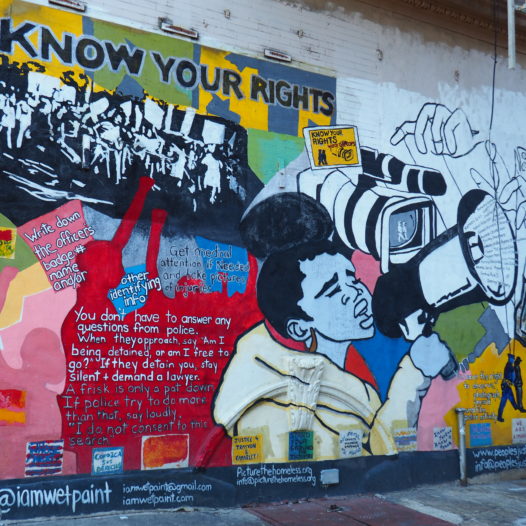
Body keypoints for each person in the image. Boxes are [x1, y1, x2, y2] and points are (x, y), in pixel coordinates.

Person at [213, 240, 454, 461]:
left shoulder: (346, 372)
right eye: (333, 290)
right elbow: (375, 464)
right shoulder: (275, 401)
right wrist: (414, 376)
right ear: (299, 328)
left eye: (352, 279)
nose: (357, 293)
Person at [497, 354, 518, 422]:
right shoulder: (510, 366)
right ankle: (499, 417)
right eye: (513, 359)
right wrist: (513, 382)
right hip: (506, 385)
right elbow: (513, 375)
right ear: (510, 359)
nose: (513, 360)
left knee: (510, 397)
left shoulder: (509, 365)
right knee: (503, 401)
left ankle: (515, 406)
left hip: (506, 385)